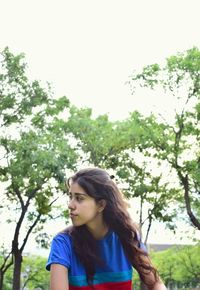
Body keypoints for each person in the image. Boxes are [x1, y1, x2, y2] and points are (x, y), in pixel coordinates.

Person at [46, 167, 167, 290]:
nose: (70, 205)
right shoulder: (62, 243)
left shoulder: (127, 236)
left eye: (79, 198)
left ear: (101, 205)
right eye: (70, 197)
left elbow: (156, 284)